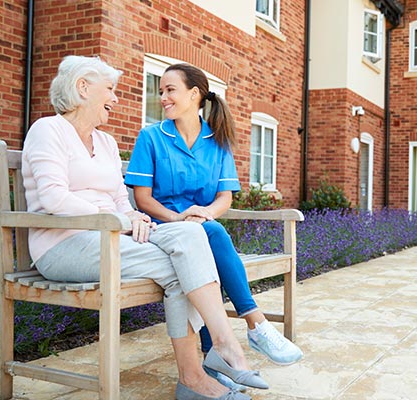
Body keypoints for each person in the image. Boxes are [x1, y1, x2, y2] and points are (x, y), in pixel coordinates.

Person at [21, 55, 266, 400]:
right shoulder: (48, 130)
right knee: (185, 266)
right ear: (82, 88)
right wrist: (121, 221)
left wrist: (132, 216)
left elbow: (122, 199)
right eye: (110, 90)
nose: (116, 98)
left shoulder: (104, 142)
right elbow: (54, 198)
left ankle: (212, 359)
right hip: (65, 245)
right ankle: (210, 363)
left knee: (192, 233)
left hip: (113, 237)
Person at [124, 64, 303, 383]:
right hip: (160, 230)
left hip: (200, 229)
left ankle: (213, 357)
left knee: (207, 238)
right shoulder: (151, 136)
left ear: (194, 94)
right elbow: (143, 199)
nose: (163, 97)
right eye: (161, 91)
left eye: (170, 90)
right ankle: (256, 324)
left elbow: (224, 198)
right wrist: (180, 218)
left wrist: (204, 214)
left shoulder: (217, 141)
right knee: (210, 235)